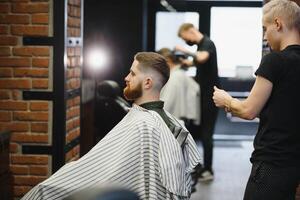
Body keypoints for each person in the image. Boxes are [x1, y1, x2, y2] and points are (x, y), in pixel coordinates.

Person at [21, 52, 201, 200]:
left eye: (133, 73)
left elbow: (99, 173)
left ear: (147, 82)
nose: (126, 77)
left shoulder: (142, 125)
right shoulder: (170, 121)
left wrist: (46, 189)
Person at [213, 0, 300, 199]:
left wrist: (225, 99)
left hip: (272, 164)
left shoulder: (274, 60)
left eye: (265, 28)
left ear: (278, 24)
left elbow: (248, 110)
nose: (264, 36)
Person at [176, 23, 219, 181]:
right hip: (202, 96)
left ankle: (208, 170)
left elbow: (202, 57)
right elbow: (200, 61)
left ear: (190, 30)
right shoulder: (201, 45)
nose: (185, 40)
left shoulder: (207, 43)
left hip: (210, 97)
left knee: (207, 134)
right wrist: (187, 63)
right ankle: (200, 166)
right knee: (199, 132)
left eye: (184, 37)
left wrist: (185, 51)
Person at [157, 48, 201, 126]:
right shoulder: (179, 74)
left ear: (168, 60)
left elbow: (167, 102)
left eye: (158, 63)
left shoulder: (175, 76)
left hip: (174, 122)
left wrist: (154, 117)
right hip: (177, 121)